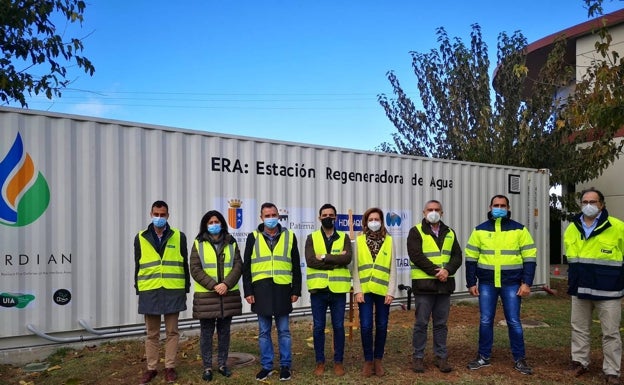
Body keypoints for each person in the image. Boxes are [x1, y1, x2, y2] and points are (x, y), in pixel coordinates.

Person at [465, 194, 536, 375]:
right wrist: (471, 282)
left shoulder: (520, 230)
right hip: (487, 283)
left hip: (511, 283)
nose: (499, 208)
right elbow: (471, 258)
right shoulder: (479, 230)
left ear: (508, 208)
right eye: (496, 205)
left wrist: (527, 283)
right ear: (490, 208)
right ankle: (483, 356)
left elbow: (530, 258)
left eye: (503, 205)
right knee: (485, 320)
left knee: (514, 321)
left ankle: (520, 359)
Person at [564, 188, 624, 385]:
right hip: (580, 288)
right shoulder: (572, 227)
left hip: (609, 290)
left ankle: (612, 371)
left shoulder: (617, 227)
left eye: (593, 201)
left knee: (611, 333)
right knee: (579, 329)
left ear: (602, 204)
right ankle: (579, 362)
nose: (588, 205)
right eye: (585, 202)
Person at [242, 202, 302, 382]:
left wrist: (296, 289)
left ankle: (285, 366)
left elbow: (296, 266)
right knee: (263, 332)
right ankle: (266, 366)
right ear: (261, 218)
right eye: (267, 216)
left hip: (283, 290)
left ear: (278, 216)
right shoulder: (253, 237)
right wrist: (248, 291)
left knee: (284, 331)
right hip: (261, 291)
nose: (270, 218)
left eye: (273, 215)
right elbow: (247, 267)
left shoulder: (289, 236)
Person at [134, 200, 190, 385]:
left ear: (168, 215)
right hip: (150, 290)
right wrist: (138, 289)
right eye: (156, 214)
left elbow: (184, 264)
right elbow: (138, 265)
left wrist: (186, 287)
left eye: (162, 214)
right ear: (151, 214)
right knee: (152, 333)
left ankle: (170, 367)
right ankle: (151, 369)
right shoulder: (140, 237)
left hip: (173, 289)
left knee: (173, 331)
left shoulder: (179, 236)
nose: (159, 217)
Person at [407, 200, 462, 374]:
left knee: (441, 324)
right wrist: (437, 271)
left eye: (437, 210)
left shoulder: (450, 232)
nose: (433, 212)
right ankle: (418, 357)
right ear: (424, 212)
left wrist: (448, 270)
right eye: (430, 209)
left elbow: (457, 256)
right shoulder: (416, 231)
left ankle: (441, 356)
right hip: (424, 286)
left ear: (442, 213)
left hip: (444, 286)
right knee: (421, 323)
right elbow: (416, 255)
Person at [190, 210, 243, 382]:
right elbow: (195, 269)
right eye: (210, 222)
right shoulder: (198, 243)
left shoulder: (231, 242)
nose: (214, 224)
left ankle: (222, 364)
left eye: (217, 221)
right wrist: (214, 285)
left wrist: (226, 284)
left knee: (224, 332)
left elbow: (237, 266)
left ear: (222, 223)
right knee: (206, 333)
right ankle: (207, 367)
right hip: (207, 296)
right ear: (205, 224)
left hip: (227, 295)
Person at [304, 203, 353, 377]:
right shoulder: (312, 237)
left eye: (331, 215)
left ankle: (338, 362)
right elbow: (310, 261)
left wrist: (325, 257)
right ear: (319, 218)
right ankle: (320, 362)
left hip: (338, 291)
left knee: (338, 327)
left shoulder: (344, 237)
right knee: (318, 327)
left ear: (336, 217)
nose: (327, 217)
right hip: (318, 290)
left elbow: (347, 258)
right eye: (324, 215)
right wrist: (334, 263)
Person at [352, 207, 397, 377]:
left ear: (381, 221)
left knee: (382, 325)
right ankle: (368, 360)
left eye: (377, 219)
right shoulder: (359, 240)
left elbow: (393, 267)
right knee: (365, 326)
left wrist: (391, 291)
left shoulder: (390, 240)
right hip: (365, 290)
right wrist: (357, 290)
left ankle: (378, 360)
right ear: (365, 222)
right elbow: (355, 268)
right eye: (370, 219)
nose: (374, 222)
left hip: (383, 290)